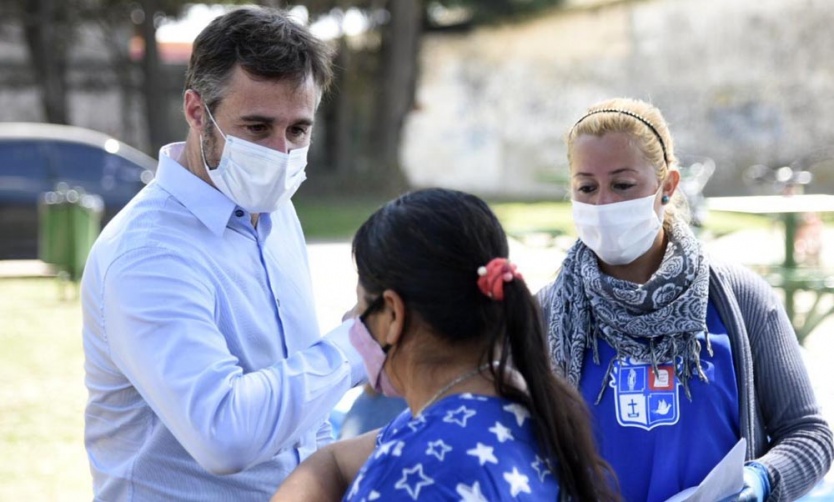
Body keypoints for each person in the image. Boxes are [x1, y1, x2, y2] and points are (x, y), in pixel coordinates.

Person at [81, 7, 366, 500]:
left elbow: (302, 426)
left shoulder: (276, 214)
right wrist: (358, 344)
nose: (280, 154)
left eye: (298, 130)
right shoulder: (147, 254)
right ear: (197, 111)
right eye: (257, 128)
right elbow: (224, 434)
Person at [537, 97, 834, 501]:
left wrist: (762, 481)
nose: (603, 204)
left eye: (623, 185)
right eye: (586, 187)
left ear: (668, 186)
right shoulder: (547, 313)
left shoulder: (741, 300)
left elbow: (809, 435)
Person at [271, 188, 619, 501]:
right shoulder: (526, 404)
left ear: (392, 313)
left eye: (362, 306)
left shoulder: (412, 472)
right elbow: (333, 461)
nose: (352, 321)